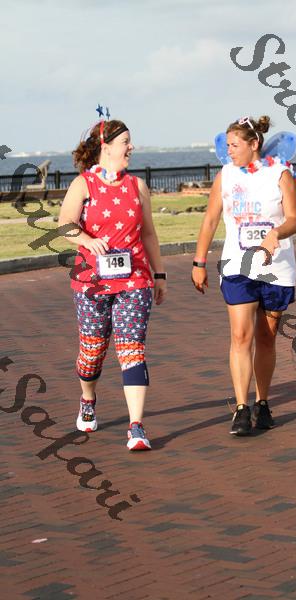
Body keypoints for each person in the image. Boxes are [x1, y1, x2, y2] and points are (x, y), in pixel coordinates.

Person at [59, 118, 167, 451]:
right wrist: (87, 240)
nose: (131, 147)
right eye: (125, 142)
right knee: (92, 353)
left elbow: (149, 234)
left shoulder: (137, 186)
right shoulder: (84, 184)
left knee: (132, 349)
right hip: (91, 282)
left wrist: (159, 275)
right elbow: (64, 224)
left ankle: (136, 426)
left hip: (134, 280)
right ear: (106, 147)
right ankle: (87, 398)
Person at [192, 115, 296, 436]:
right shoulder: (225, 175)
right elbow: (210, 220)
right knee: (241, 335)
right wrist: (199, 261)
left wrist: (276, 233)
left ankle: (262, 402)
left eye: (234, 145)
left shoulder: (280, 173)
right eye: (227, 145)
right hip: (237, 266)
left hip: (275, 268)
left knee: (266, 337)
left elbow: (295, 219)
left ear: (254, 144)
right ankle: (241, 408)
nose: (229, 151)